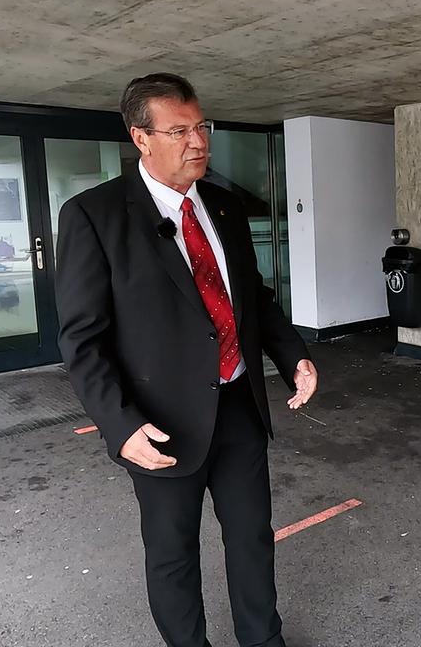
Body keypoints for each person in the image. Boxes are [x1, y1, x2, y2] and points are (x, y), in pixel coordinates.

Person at [55, 73, 317, 647]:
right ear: (140, 138)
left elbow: (253, 296)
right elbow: (82, 340)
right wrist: (119, 426)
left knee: (252, 537)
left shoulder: (222, 206)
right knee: (173, 553)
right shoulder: (94, 216)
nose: (198, 141)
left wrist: (292, 354)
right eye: (179, 131)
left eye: (202, 127)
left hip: (239, 406)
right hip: (160, 421)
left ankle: (262, 640)